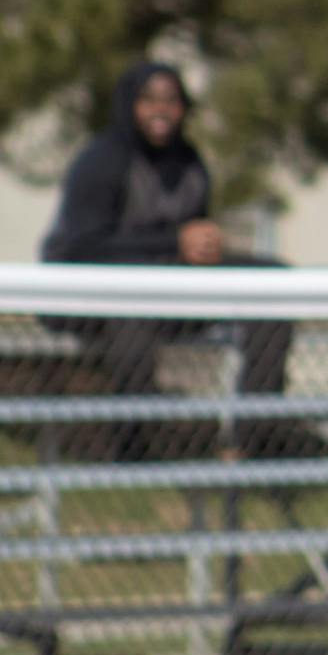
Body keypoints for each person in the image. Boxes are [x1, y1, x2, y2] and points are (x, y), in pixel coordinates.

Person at [39, 61, 298, 457]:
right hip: (91, 296)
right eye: (149, 100)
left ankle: (254, 438)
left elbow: (188, 240)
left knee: (274, 282)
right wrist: (175, 241)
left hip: (167, 289)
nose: (161, 110)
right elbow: (81, 247)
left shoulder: (190, 162)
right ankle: (133, 446)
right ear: (130, 105)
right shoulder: (103, 160)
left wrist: (205, 245)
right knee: (132, 316)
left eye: (172, 101)